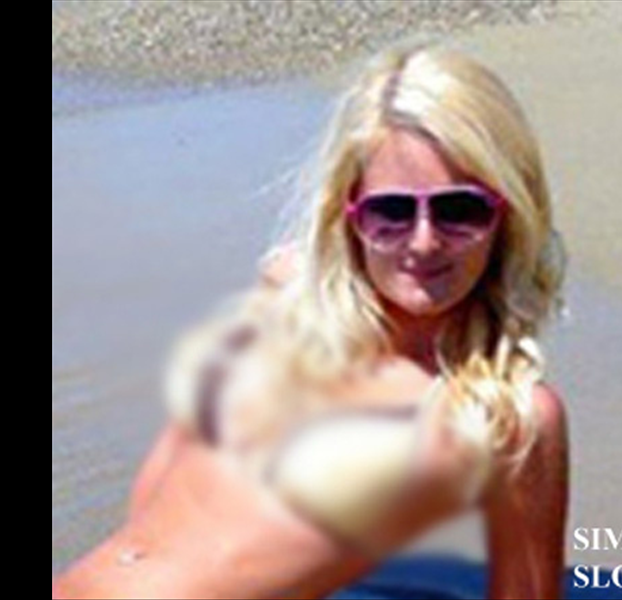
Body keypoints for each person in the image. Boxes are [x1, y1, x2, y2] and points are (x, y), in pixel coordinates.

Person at [52, 42, 569, 600]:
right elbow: (163, 495)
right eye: (391, 212)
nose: (423, 241)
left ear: (509, 215)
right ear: (350, 212)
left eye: (459, 210)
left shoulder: (510, 417)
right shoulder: (287, 300)